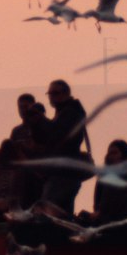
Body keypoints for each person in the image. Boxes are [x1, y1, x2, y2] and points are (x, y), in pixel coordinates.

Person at [38, 78, 91, 212]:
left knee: (49, 211)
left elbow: (57, 136)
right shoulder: (66, 112)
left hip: (63, 173)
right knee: (62, 213)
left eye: (55, 93)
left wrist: (41, 120)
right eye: (49, 94)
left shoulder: (71, 113)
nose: (51, 97)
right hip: (64, 172)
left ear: (66, 94)